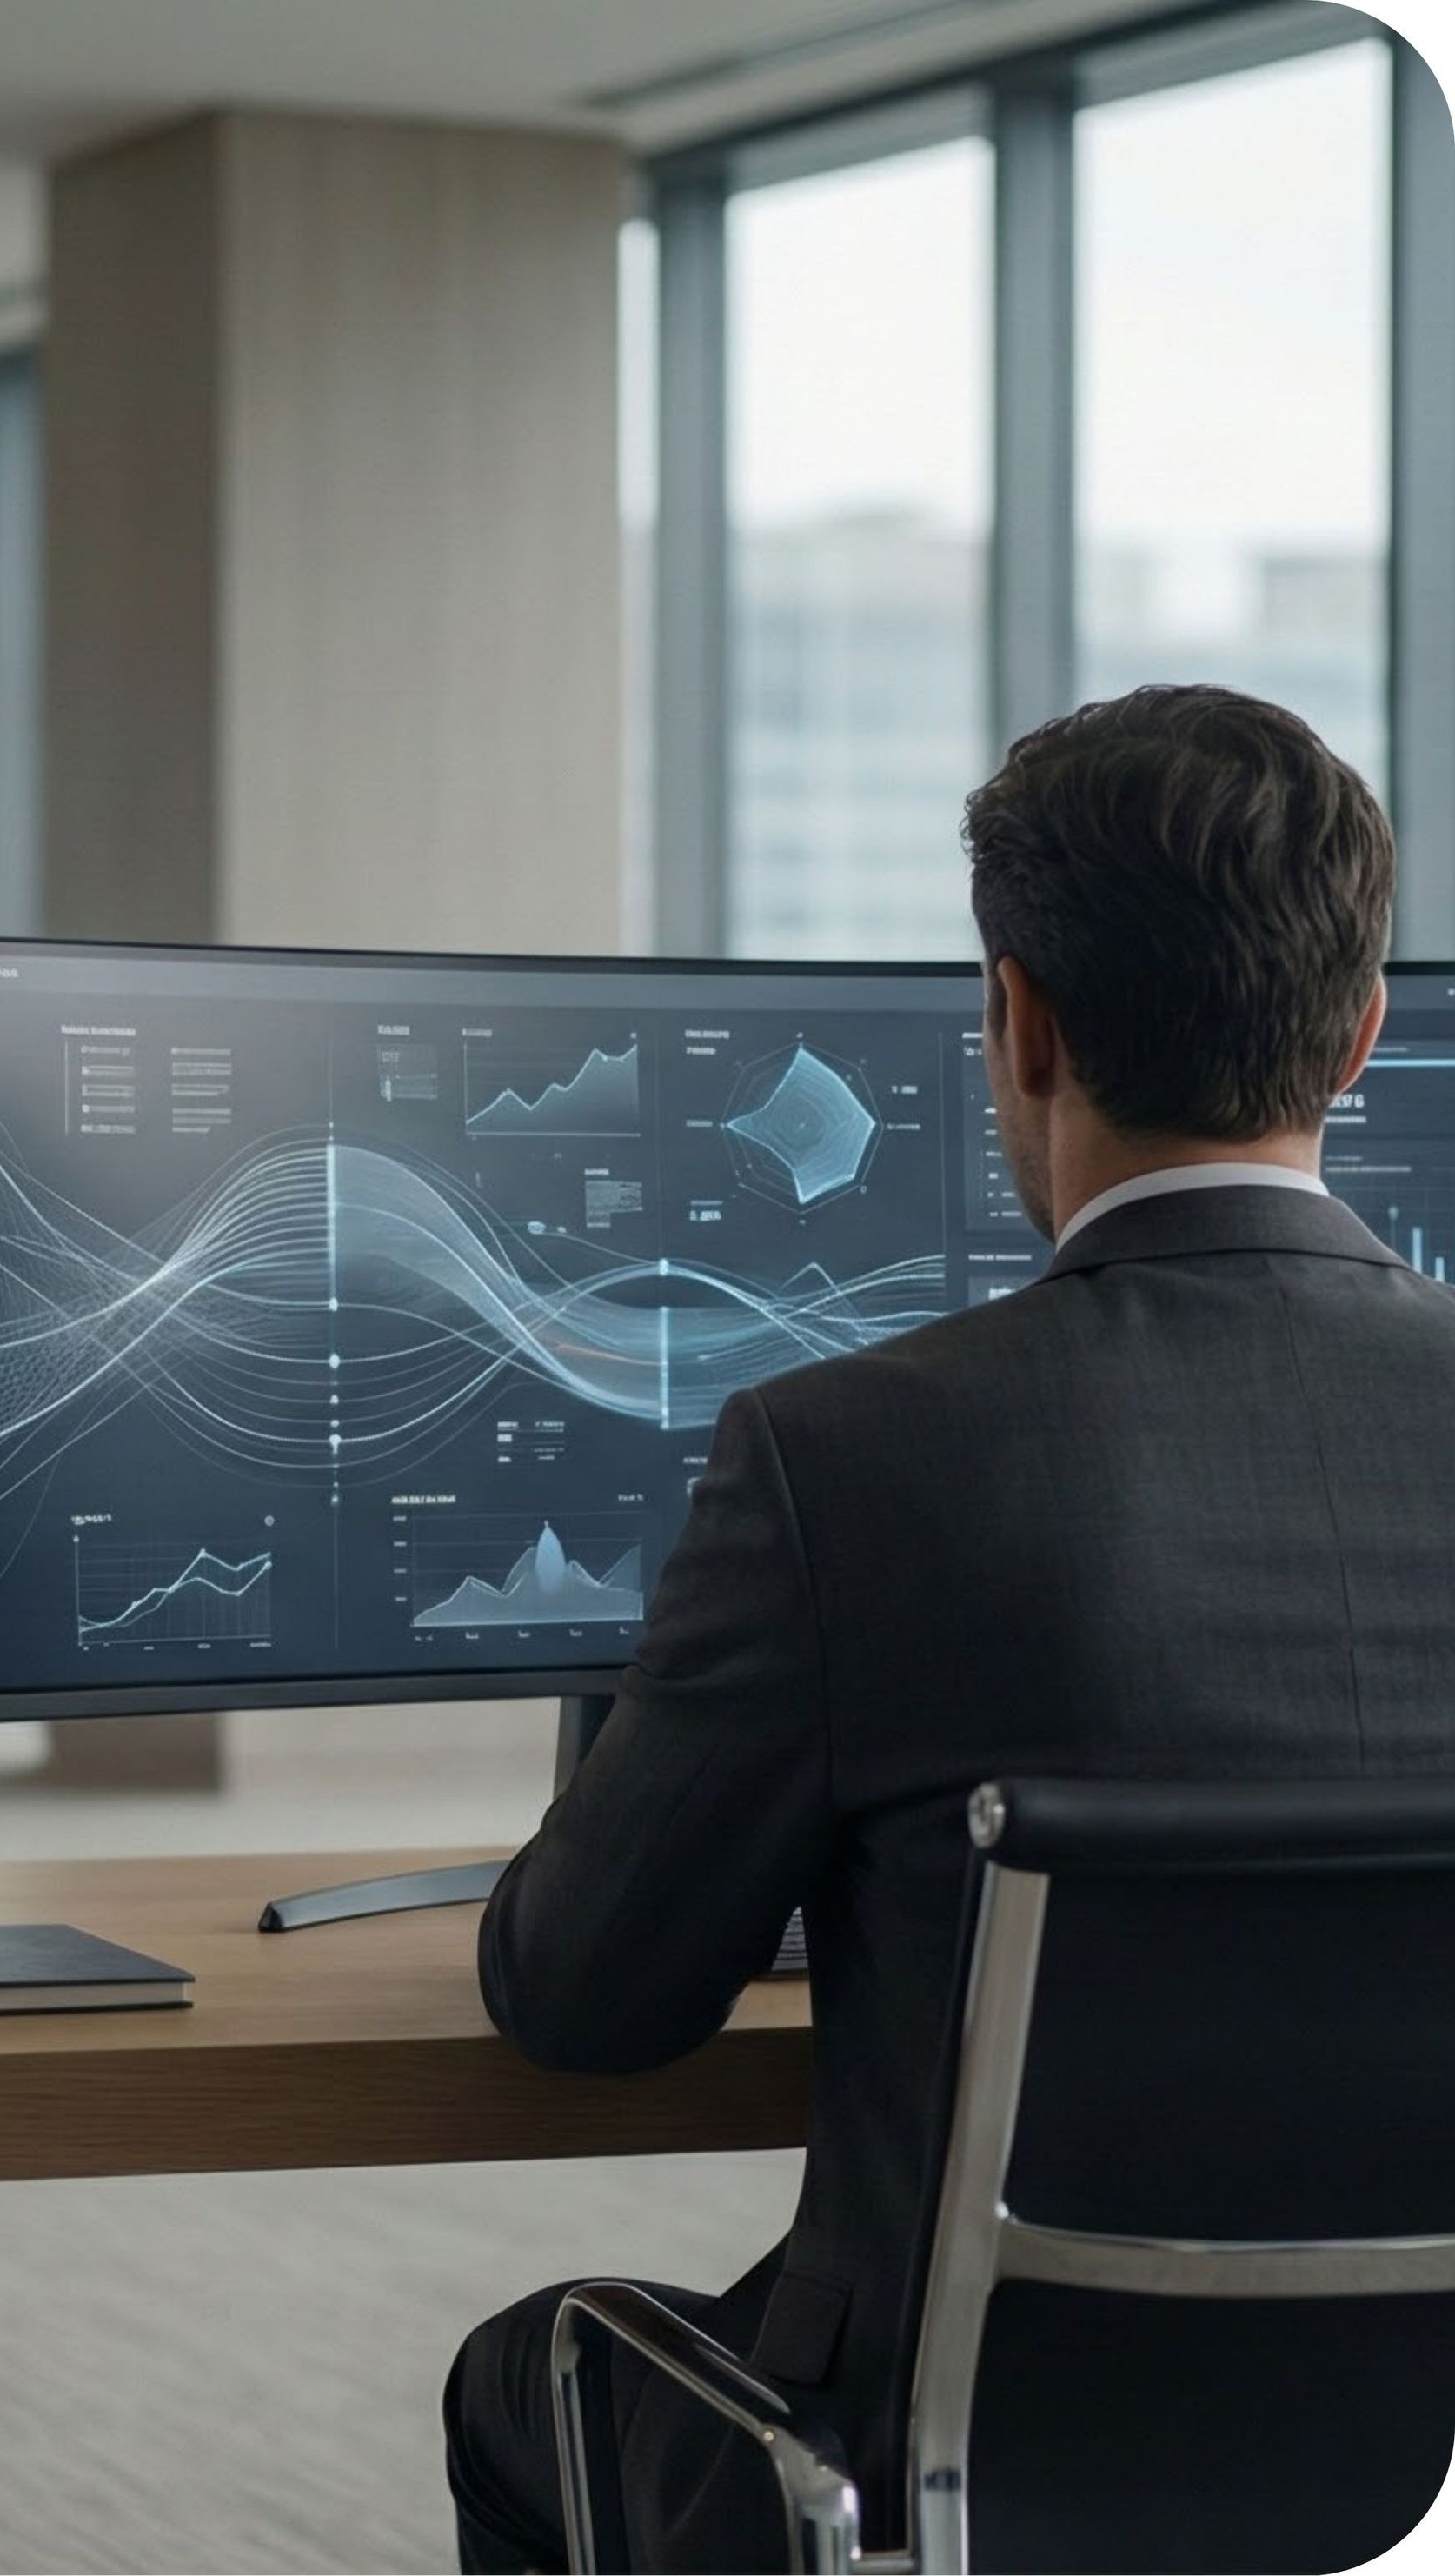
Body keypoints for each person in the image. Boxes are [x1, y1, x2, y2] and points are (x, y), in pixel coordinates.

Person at [445, 683, 1455, 2572]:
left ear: (1021, 1021)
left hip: (941, 2483)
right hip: (1422, 2468)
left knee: (531, 2377)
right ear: (1364, 1032)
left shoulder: (850, 1458)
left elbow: (586, 2004)